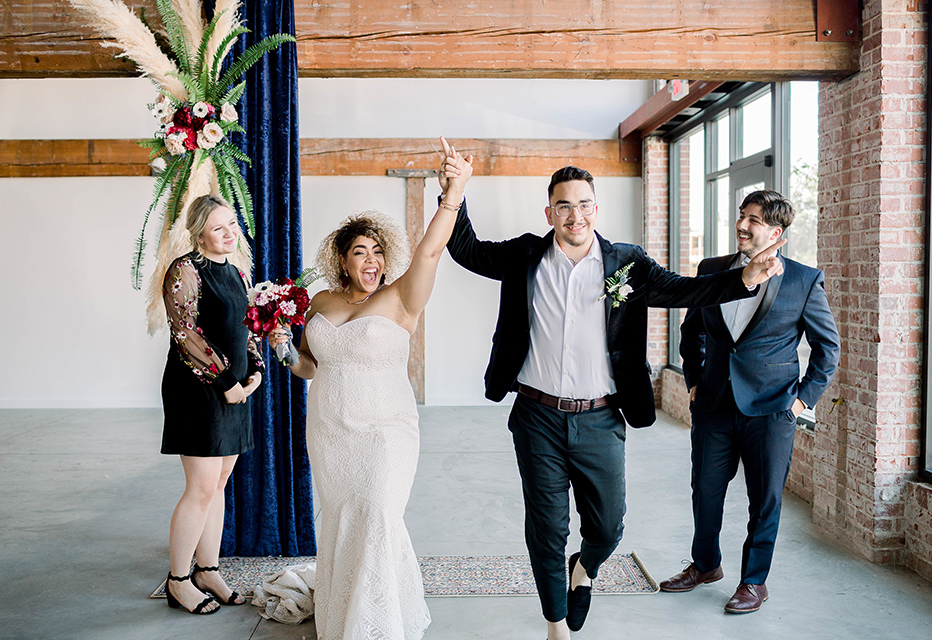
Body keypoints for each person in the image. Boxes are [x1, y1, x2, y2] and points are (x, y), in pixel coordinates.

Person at [444, 166, 785, 639]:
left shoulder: (627, 263)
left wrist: (742, 279)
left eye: (584, 205)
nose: (575, 215)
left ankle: (584, 567)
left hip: (602, 417)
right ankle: (555, 624)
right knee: (546, 527)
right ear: (550, 212)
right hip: (537, 415)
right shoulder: (526, 254)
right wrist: (455, 192)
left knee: (607, 528)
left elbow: (686, 289)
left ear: (596, 210)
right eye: (564, 205)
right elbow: (466, 250)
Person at [269, 137, 472, 640]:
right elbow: (310, 366)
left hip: (386, 430)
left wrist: (453, 194)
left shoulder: (403, 297)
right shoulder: (319, 301)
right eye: (361, 252)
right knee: (343, 519)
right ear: (342, 259)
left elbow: (430, 249)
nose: (372, 260)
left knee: (379, 513)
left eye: (378, 251)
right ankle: (344, 617)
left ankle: (379, 624)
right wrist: (282, 350)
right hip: (331, 431)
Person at [659, 190, 840, 613]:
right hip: (714, 404)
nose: (742, 224)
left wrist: (800, 403)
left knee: (766, 499)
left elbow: (827, 348)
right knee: (704, 491)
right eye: (741, 215)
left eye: (753, 219)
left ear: (775, 232)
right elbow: (692, 333)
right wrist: (693, 381)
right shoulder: (711, 269)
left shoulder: (803, 279)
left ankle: (754, 581)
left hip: (773, 410)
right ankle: (705, 565)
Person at [160, 194, 264, 614]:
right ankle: (178, 580)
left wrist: (255, 369)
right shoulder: (185, 270)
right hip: (198, 391)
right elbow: (186, 335)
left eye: (232, 224)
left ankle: (207, 570)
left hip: (235, 390)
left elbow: (248, 326)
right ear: (199, 232)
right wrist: (226, 382)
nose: (229, 233)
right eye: (219, 227)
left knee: (219, 483)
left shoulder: (236, 272)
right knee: (200, 487)